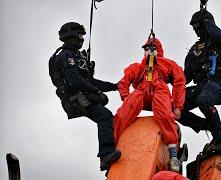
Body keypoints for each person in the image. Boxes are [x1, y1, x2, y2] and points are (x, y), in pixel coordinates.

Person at [49, 22, 120, 171]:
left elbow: (90, 81)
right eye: (80, 35)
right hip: (75, 99)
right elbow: (75, 80)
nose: (82, 38)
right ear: (71, 36)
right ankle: (106, 155)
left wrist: (114, 86)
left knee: (109, 119)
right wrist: (97, 92)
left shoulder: (76, 56)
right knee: (105, 116)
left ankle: (110, 160)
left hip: (81, 96)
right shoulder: (65, 56)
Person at [113, 37, 186, 172]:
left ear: (158, 50)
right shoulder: (137, 66)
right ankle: (112, 151)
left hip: (160, 90)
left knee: (165, 116)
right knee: (121, 115)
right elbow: (123, 82)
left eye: (151, 48)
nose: (148, 51)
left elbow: (179, 81)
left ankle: (173, 156)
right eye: (146, 49)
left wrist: (177, 106)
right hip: (141, 90)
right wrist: (125, 97)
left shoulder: (168, 63)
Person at [178, 8, 221, 153]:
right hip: (201, 87)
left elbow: (219, 34)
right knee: (174, 106)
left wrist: (207, 22)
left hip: (218, 85)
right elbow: (186, 76)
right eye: (193, 28)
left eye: (198, 26)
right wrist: (170, 79)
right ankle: (209, 125)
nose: (196, 31)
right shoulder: (194, 50)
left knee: (204, 100)